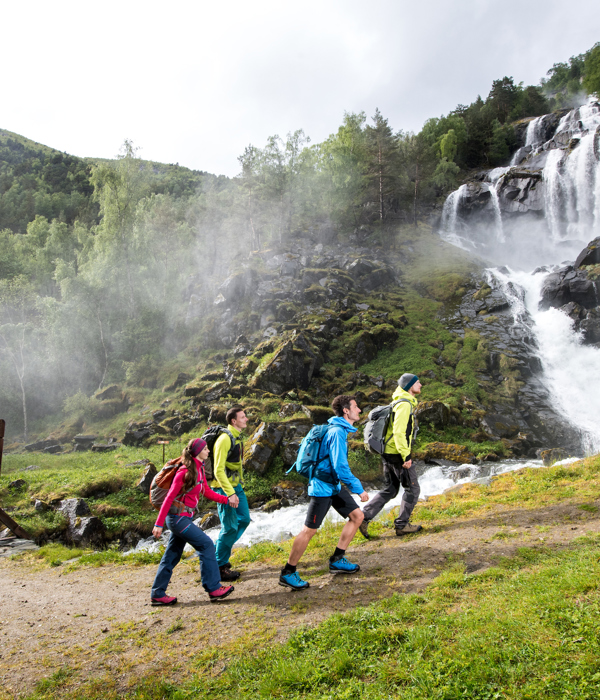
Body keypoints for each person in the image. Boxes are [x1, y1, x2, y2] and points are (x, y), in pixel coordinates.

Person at [279, 395, 369, 591]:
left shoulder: (338, 430)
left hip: (332, 485)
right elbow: (340, 466)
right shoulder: (337, 432)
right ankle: (288, 572)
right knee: (309, 530)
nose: (359, 410)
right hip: (322, 487)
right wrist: (358, 488)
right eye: (356, 407)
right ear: (346, 411)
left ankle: (337, 559)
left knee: (357, 516)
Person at [151, 438, 238, 605]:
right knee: (206, 544)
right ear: (198, 452)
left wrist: (227, 500)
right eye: (205, 449)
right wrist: (158, 523)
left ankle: (157, 594)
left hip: (183, 518)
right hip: (177, 519)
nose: (208, 451)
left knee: (171, 556)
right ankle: (213, 588)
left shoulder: (199, 469)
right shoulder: (183, 473)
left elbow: (205, 491)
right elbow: (168, 499)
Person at [359, 373, 423, 539]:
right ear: (409, 386)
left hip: (388, 452)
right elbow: (399, 432)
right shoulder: (404, 405)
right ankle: (402, 525)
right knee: (413, 488)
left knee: (391, 488)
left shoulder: (397, 401)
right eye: (417, 382)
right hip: (397, 454)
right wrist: (406, 456)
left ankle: (363, 517)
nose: (421, 385)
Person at [210, 406, 251, 582]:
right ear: (233, 421)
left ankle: (218, 550)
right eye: (243, 417)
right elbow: (218, 471)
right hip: (224, 489)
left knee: (244, 519)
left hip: (236, 487)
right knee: (229, 527)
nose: (246, 419)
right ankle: (219, 566)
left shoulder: (236, 437)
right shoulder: (225, 439)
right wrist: (229, 494)